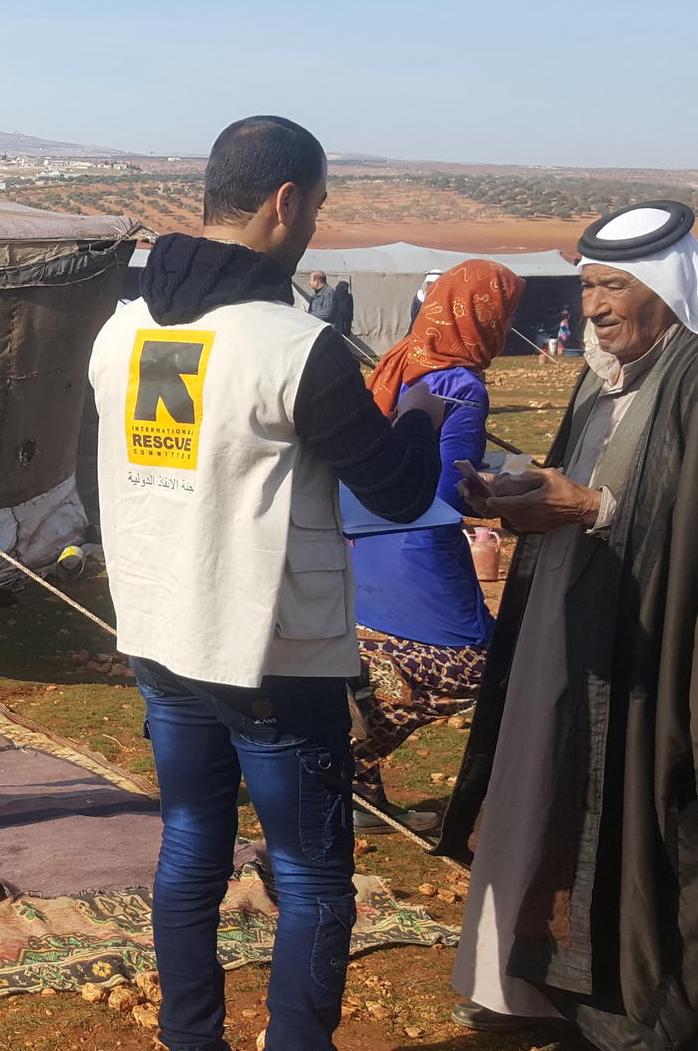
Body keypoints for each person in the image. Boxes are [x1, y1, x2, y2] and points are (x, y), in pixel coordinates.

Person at [89, 115, 444, 1051]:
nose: (317, 225)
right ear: (286, 204)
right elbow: (399, 492)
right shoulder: (295, 348)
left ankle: (189, 1037)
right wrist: (415, 415)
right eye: (320, 206)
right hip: (272, 652)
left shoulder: (119, 332)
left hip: (162, 636)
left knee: (191, 847)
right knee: (313, 875)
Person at [439, 200, 698, 1050]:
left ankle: (651, 1003)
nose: (593, 307)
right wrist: (522, 499)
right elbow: (582, 489)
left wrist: (594, 509)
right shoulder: (600, 380)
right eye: (588, 285)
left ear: (665, 288)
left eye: (613, 287)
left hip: (663, 644)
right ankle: (536, 978)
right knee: (547, 788)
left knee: (664, 802)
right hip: (567, 623)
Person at [347, 259, 523, 834]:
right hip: (415, 548)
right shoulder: (460, 383)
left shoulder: (400, 364)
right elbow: (445, 485)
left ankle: (356, 785)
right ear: (485, 314)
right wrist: (504, 496)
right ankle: (346, 759)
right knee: (475, 663)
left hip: (362, 540)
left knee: (384, 652)